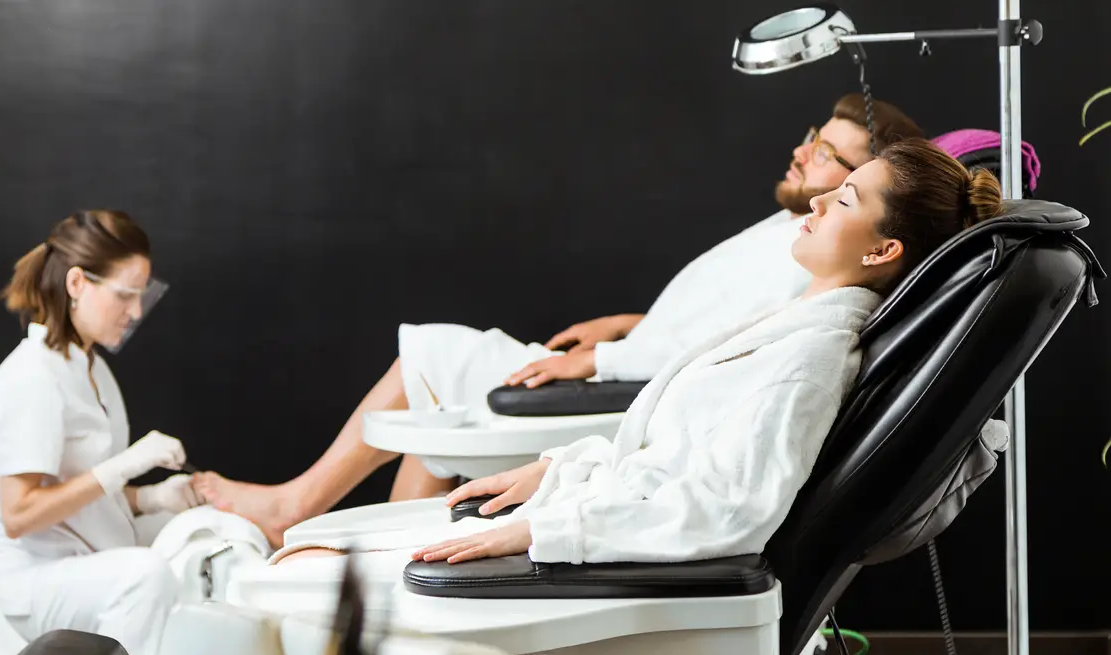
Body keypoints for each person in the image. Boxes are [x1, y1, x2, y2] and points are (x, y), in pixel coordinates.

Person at [252, 138, 1003, 578]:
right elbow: (679, 455)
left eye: (842, 200)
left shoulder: (808, 357)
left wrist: (544, 531)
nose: (813, 202)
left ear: (882, 248)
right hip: (592, 503)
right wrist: (556, 469)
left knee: (297, 567)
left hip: (600, 546)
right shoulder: (793, 323)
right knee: (308, 550)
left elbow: (730, 510)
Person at [0, 210, 203, 655]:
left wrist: (151, 497)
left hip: (79, 551)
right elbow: (20, 514)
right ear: (77, 282)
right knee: (146, 576)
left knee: (200, 532)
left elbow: (81, 489)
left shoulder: (89, 366)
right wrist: (122, 467)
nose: (137, 311)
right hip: (32, 571)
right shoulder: (32, 379)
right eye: (125, 294)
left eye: (144, 294)